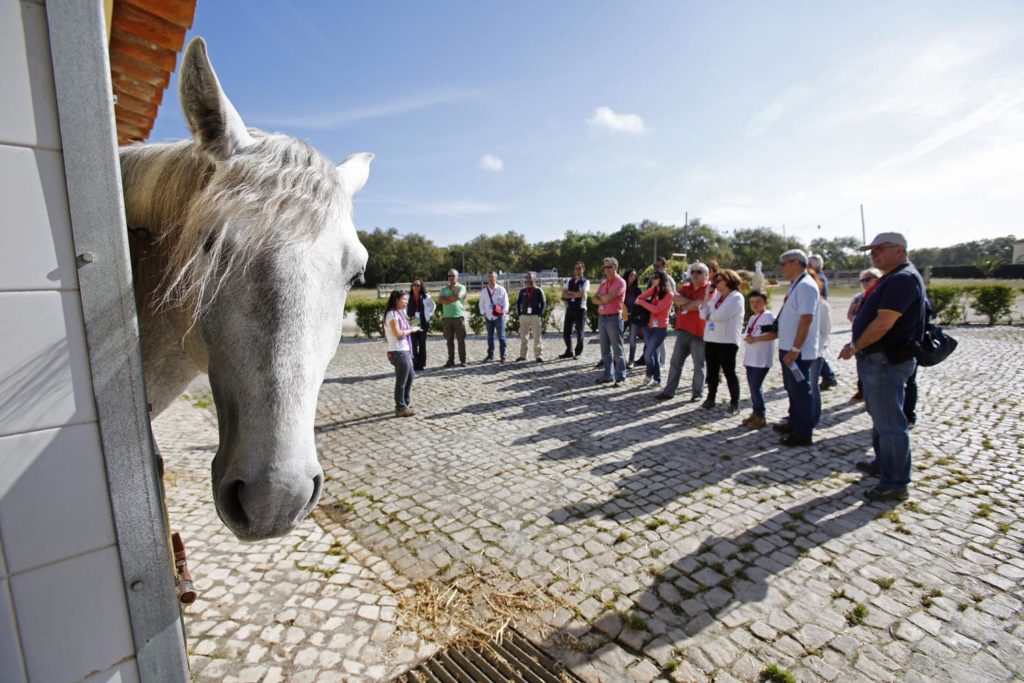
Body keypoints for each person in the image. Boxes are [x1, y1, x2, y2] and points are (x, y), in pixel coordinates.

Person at [839, 232, 926, 501]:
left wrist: (856, 346)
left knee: (890, 423)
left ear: (899, 250)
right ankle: (883, 464)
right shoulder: (892, 277)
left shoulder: (902, 279)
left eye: (880, 249)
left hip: (886, 361)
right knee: (882, 419)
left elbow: (883, 323)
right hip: (879, 360)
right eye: (871, 251)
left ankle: (896, 482)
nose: (874, 255)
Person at [774, 249, 822, 446]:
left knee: (801, 390)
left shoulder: (806, 286)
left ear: (795, 263)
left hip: (798, 351)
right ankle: (794, 421)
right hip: (789, 347)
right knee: (792, 389)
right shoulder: (797, 284)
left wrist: (795, 349)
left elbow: (806, 318)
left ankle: (803, 432)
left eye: (783, 263)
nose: (781, 268)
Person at [655, 262, 711, 402]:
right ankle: (669, 391)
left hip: (699, 333)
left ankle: (697, 394)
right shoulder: (685, 287)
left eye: (699, 272)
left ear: (706, 275)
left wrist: (687, 304)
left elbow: (701, 304)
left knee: (699, 365)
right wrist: (692, 304)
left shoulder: (708, 289)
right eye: (693, 272)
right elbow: (676, 299)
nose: (695, 275)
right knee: (675, 363)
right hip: (683, 331)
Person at [700, 269, 745, 414]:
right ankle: (711, 398)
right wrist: (707, 296)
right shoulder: (717, 296)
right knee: (712, 371)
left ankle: (734, 403)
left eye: (718, 281)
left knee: (728, 372)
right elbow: (702, 314)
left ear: (728, 281)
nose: (716, 284)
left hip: (727, 340)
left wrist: (709, 315)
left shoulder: (736, 297)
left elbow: (720, 316)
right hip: (711, 338)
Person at [742, 290, 777, 429]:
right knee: (753, 387)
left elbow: (774, 334)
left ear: (765, 302)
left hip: (761, 359)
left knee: (756, 387)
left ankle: (761, 416)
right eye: (752, 302)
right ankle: (756, 413)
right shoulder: (752, 318)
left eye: (758, 302)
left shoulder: (768, 317)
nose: (755, 305)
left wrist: (756, 339)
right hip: (751, 358)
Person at [633, 271, 673, 389]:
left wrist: (643, 303)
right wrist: (642, 301)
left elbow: (656, 309)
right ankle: (656, 379)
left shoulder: (669, 294)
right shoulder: (654, 289)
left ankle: (649, 374)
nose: (653, 279)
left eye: (655, 277)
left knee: (648, 354)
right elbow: (639, 297)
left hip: (660, 329)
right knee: (653, 355)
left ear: (662, 279)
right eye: (653, 277)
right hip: (648, 327)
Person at [846, 268, 882, 400]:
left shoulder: (880, 295)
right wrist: (856, 321)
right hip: (859, 333)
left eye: (868, 279)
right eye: (862, 280)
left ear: (877, 279)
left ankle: (875, 393)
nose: (864, 283)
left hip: (875, 335)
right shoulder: (858, 297)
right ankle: (862, 389)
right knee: (860, 361)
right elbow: (850, 314)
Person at [593, 257, 627, 386]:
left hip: (614, 318)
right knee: (605, 350)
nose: (606, 270)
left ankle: (620, 377)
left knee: (617, 349)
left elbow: (608, 298)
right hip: (602, 318)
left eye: (609, 267)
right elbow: (594, 299)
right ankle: (608, 375)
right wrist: (603, 299)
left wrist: (602, 299)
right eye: (605, 267)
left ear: (615, 267)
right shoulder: (603, 283)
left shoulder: (620, 282)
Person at [383, 290, 418, 417]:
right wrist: (411, 330)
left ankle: (406, 402)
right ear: (396, 299)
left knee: (411, 376)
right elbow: (398, 334)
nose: (406, 301)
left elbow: (409, 322)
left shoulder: (399, 312)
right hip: (398, 351)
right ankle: (400, 407)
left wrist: (414, 327)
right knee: (402, 381)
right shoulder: (392, 314)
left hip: (404, 350)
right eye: (404, 299)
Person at [642, 256, 677, 367]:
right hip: (651, 313)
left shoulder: (669, 279)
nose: (656, 267)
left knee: (661, 342)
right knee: (652, 341)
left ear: (663, 265)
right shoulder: (652, 277)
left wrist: (668, 308)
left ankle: (662, 362)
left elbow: (673, 294)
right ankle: (653, 363)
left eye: (658, 265)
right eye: (655, 265)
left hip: (662, 313)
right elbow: (648, 292)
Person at [809, 255, 837, 391]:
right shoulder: (820, 276)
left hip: (818, 313)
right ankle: (828, 375)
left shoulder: (819, 278)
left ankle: (829, 376)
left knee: (817, 353)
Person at [559, 261, 590, 359]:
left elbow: (582, 294)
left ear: (583, 269)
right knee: (566, 332)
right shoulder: (570, 281)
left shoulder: (586, 281)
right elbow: (563, 294)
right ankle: (569, 350)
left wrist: (570, 293)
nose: (577, 270)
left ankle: (578, 353)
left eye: (579, 268)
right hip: (570, 308)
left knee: (580, 332)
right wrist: (575, 293)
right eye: (576, 268)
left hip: (580, 309)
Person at [438, 269, 468, 367]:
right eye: (449, 276)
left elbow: (458, 297)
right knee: (449, 341)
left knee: (461, 340)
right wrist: (452, 297)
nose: (451, 277)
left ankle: (463, 361)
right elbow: (440, 300)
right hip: (447, 318)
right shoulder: (443, 288)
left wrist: (447, 298)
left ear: (457, 277)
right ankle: (450, 360)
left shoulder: (462, 287)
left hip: (458, 317)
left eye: (453, 276)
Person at [515, 272, 546, 362]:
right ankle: (523, 355)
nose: (529, 280)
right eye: (527, 278)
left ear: (534, 279)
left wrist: (539, 314)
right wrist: (519, 314)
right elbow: (518, 303)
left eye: (530, 278)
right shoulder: (522, 291)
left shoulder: (538, 290)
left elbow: (543, 303)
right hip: (524, 316)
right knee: (523, 337)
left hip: (535, 316)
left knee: (537, 337)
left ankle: (538, 356)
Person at [480, 271, 509, 362]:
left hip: (499, 317)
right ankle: (490, 355)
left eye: (492, 277)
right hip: (488, 317)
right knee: (490, 337)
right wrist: (483, 312)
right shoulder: (484, 291)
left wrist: (503, 312)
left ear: (496, 278)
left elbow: (506, 303)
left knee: (502, 337)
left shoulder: (501, 289)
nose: (490, 279)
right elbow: (481, 303)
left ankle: (503, 355)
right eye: (489, 277)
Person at [407, 279, 435, 372]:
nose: (416, 287)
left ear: (421, 286)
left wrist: (429, 315)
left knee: (422, 343)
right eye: (414, 285)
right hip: (413, 321)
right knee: (413, 343)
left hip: (423, 320)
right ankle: (415, 364)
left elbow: (433, 306)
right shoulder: (407, 296)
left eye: (418, 285)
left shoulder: (426, 296)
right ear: (412, 286)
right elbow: (402, 307)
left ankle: (422, 364)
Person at [622, 269, 643, 368]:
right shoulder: (622, 287)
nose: (633, 277)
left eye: (635, 275)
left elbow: (640, 304)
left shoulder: (637, 290)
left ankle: (631, 360)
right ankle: (620, 359)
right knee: (618, 337)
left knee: (632, 340)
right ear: (627, 276)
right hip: (622, 317)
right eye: (631, 275)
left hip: (633, 318)